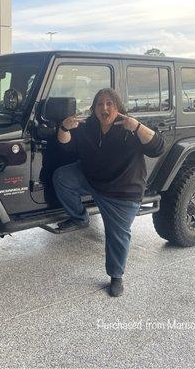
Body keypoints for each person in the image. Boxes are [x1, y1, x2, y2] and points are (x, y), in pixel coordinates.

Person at [53, 88, 164, 297]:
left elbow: (157, 148)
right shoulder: (89, 126)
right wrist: (64, 127)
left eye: (109, 103)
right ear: (94, 108)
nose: (104, 108)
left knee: (118, 236)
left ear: (117, 107)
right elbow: (66, 146)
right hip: (92, 179)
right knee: (62, 177)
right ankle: (80, 218)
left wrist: (138, 127)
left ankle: (116, 276)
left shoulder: (130, 127)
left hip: (122, 191)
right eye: (99, 104)